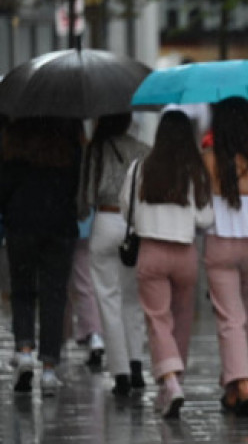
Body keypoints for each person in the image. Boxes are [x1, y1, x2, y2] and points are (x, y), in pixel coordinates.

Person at [121, 110, 214, 419]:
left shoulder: (140, 168)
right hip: (184, 252)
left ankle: (169, 382)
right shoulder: (195, 171)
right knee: (182, 319)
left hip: (151, 251)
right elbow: (206, 217)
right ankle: (175, 380)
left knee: (158, 320)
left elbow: (127, 210)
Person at [0, 117, 83, 396]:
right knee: (54, 296)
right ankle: (48, 369)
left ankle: (24, 350)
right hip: (59, 227)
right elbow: (76, 189)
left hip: (21, 225)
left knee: (22, 290)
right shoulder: (67, 145)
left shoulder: (13, 148)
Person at [201, 97, 248, 416]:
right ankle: (232, 388)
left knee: (230, 318)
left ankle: (242, 383)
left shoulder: (209, 159)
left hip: (219, 243)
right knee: (244, 316)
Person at [78, 112, 150, 396]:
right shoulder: (143, 150)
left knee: (108, 299)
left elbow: (85, 199)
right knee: (133, 299)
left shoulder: (94, 150)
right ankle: (136, 365)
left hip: (105, 222)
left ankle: (119, 372)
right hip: (134, 226)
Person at [64, 209, 105, 368]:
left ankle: (59, 336)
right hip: (86, 224)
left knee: (57, 285)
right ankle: (95, 335)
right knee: (85, 284)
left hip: (59, 224)